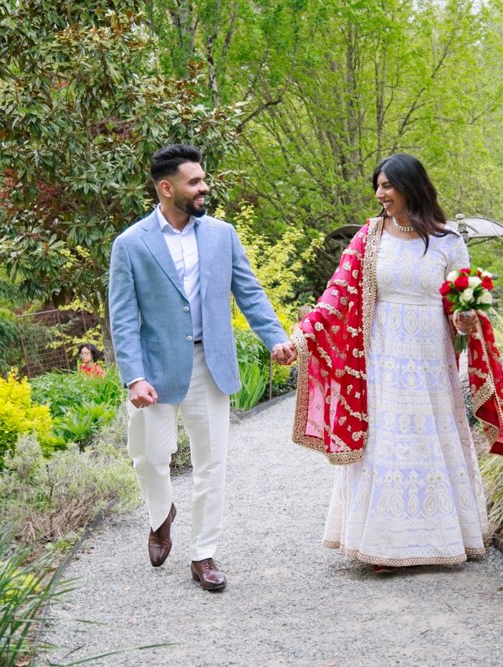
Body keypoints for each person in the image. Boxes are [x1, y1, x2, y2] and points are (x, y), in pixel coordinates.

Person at [291, 153, 494, 572]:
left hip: (431, 360)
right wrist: (301, 336)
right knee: (386, 440)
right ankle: (382, 544)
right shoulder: (369, 237)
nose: (380, 194)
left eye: (387, 186)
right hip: (381, 358)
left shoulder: (449, 240)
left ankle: (439, 539)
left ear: (410, 186)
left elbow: (459, 306)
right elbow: (337, 295)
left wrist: (466, 316)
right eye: (377, 186)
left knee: (429, 435)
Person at [108, 143, 296, 592]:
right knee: (149, 457)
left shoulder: (221, 234)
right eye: (195, 181)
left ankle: (203, 554)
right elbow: (123, 316)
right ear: (166, 187)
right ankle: (161, 514)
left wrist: (276, 338)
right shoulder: (131, 244)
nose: (204, 187)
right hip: (153, 370)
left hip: (211, 363)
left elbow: (248, 291)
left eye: (203, 178)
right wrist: (133, 376)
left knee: (212, 463)